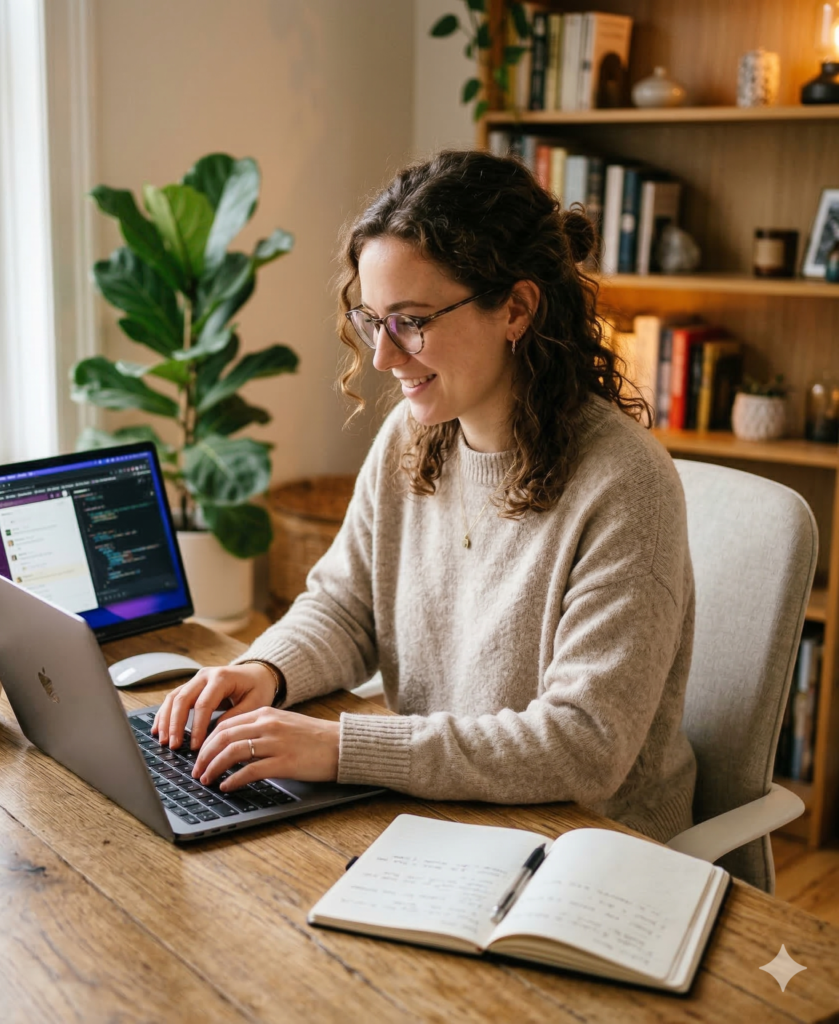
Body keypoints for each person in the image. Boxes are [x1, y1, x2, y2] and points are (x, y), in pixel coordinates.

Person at [154, 149, 697, 842]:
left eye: (412, 321)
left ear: (517, 309)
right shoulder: (412, 438)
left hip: (587, 845)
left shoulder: (626, 484)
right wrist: (265, 670)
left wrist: (343, 750)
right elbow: (347, 609)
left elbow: (583, 746)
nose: (382, 357)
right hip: (442, 811)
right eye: (373, 320)